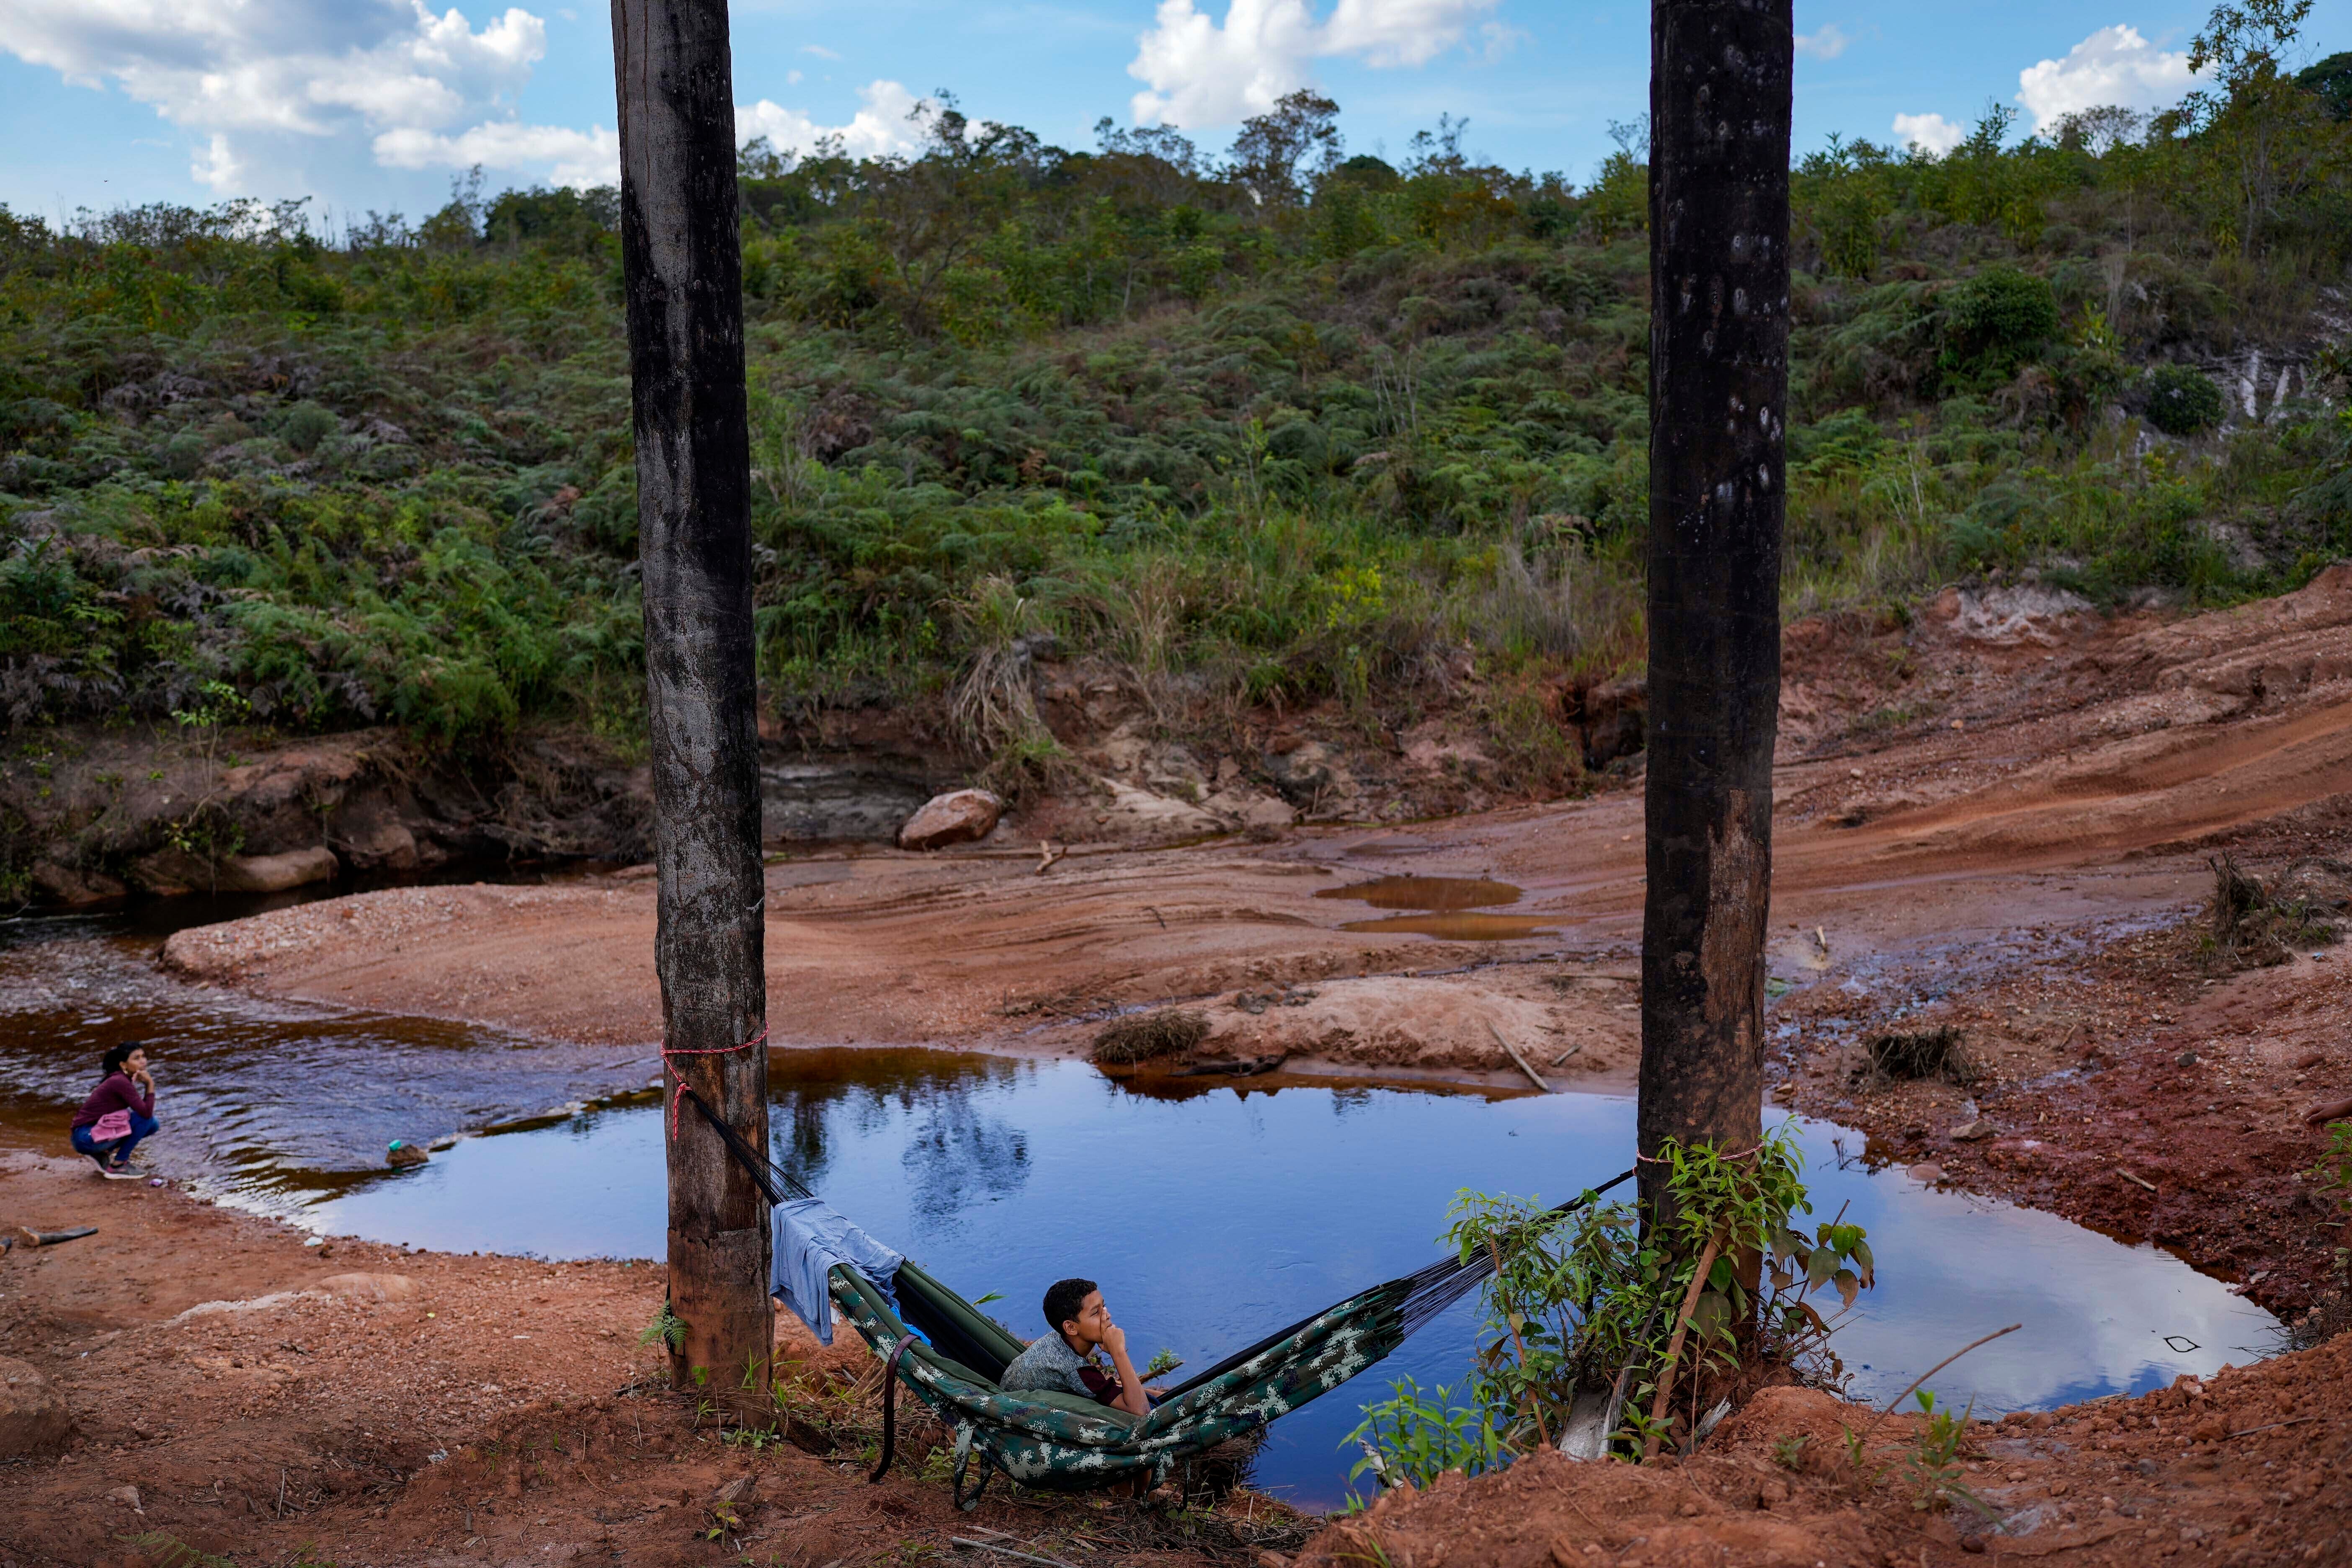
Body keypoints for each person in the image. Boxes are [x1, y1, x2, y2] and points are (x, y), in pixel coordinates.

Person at [998, 1277, 1161, 1417]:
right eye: (1096, 1312)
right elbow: (1141, 1411)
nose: (1107, 1315)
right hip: (1018, 1415)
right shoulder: (1074, 1369)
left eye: (1103, 1307)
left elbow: (1110, 1388)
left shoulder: (1061, 1340)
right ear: (1070, 1328)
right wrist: (1118, 1352)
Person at [70, 1044, 158, 1179]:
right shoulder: (119, 1081)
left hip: (85, 1136)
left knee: (152, 1124)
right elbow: (146, 1113)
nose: (143, 1061)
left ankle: (101, 1153)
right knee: (147, 1120)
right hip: (85, 1137)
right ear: (123, 1065)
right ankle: (118, 1165)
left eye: (143, 1056)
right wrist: (150, 1084)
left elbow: (144, 1110)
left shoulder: (121, 1079)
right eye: (137, 1058)